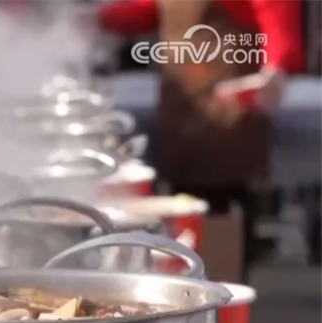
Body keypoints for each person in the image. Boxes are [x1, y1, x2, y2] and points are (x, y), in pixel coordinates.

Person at [92, 0, 304, 283]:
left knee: (218, 241)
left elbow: (279, 20)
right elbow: (149, 9)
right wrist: (90, 18)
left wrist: (275, 71)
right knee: (180, 240)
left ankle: (224, 298)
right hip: (180, 121)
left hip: (227, 123)